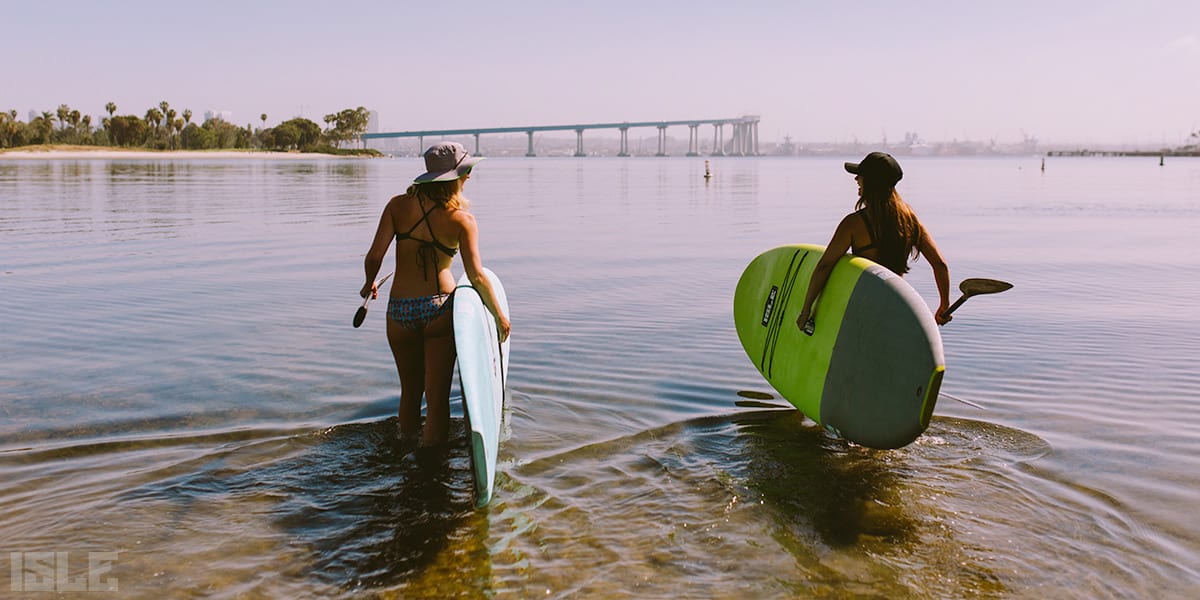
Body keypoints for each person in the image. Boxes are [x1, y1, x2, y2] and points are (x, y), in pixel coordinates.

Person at [361, 141, 511, 448]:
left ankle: (404, 450)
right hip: (440, 310)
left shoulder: (397, 206)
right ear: (454, 178)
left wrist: (369, 284)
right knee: (438, 397)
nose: (468, 177)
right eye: (465, 172)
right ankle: (431, 464)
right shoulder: (461, 220)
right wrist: (500, 316)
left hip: (399, 311)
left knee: (410, 392)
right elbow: (477, 276)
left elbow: (374, 255)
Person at [796, 151, 951, 334]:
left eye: (860, 175)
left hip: (864, 308)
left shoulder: (853, 224)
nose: (856, 179)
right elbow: (940, 264)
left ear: (871, 182)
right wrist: (944, 305)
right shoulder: (909, 220)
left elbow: (825, 266)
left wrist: (806, 309)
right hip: (898, 306)